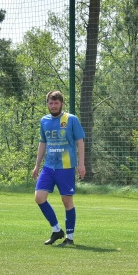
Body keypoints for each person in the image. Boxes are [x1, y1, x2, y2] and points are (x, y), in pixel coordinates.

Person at [31, 90, 85, 246]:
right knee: (39, 198)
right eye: (51, 103)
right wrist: (37, 165)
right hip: (49, 167)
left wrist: (81, 164)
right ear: (47, 104)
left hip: (66, 167)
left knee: (67, 201)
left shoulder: (71, 119)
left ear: (61, 104)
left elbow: (80, 142)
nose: (53, 106)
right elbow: (43, 143)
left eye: (56, 103)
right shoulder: (44, 121)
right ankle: (56, 230)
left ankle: (70, 238)